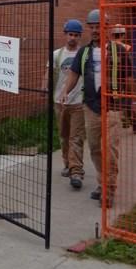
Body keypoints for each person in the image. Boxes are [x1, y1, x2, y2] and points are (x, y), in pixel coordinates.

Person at [61, 9, 130, 208]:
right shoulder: (84, 52)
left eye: (97, 27)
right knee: (95, 149)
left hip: (113, 106)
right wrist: (66, 91)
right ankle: (102, 183)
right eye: (91, 27)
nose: (94, 30)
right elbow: (74, 74)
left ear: (106, 28)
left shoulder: (119, 50)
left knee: (110, 149)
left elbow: (129, 77)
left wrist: (131, 103)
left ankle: (108, 191)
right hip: (91, 106)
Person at [47, 18, 85, 189]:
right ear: (65, 35)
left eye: (76, 35)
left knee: (76, 137)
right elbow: (48, 74)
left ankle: (76, 171)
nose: (73, 38)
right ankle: (66, 163)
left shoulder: (83, 54)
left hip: (79, 102)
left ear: (80, 36)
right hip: (59, 102)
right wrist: (44, 88)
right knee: (64, 136)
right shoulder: (57, 55)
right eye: (70, 34)